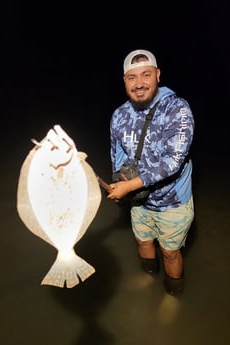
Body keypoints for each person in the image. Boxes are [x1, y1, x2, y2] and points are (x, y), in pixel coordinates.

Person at [107, 49, 195, 295]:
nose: (139, 84)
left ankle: (173, 294)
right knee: (143, 241)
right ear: (124, 80)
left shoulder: (177, 109)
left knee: (170, 251)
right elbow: (117, 156)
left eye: (145, 75)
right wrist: (119, 186)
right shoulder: (119, 115)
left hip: (173, 202)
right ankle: (149, 277)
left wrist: (130, 186)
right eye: (132, 78)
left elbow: (173, 161)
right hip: (139, 202)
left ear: (157, 75)